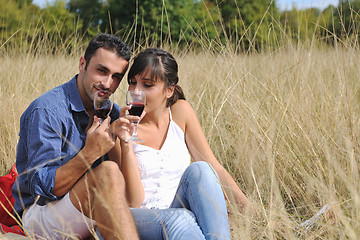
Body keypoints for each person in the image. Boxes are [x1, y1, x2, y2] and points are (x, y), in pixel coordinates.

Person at [12, 33, 140, 239]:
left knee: (170, 220)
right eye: (102, 71)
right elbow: (43, 190)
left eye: (116, 77)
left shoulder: (112, 112)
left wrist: (125, 143)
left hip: (86, 209)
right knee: (107, 171)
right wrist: (90, 153)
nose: (107, 84)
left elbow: (126, 193)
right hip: (40, 214)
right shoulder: (47, 110)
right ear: (82, 64)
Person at [120, 48, 250, 240]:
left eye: (147, 85)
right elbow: (133, 201)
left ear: (169, 90)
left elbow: (214, 167)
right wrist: (126, 144)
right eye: (132, 83)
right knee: (181, 218)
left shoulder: (181, 112)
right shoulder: (122, 126)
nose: (136, 91)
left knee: (201, 169)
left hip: (176, 210)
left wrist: (251, 212)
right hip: (140, 218)